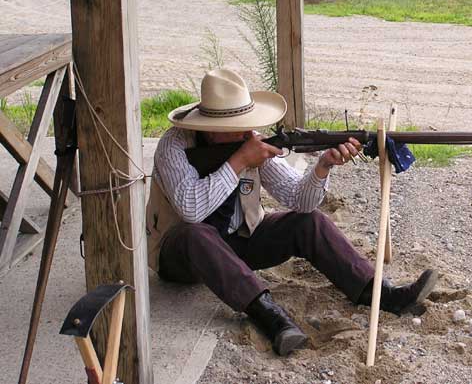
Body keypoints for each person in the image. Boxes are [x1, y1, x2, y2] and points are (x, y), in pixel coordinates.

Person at [146, 68, 438, 356]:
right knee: (196, 234)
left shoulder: (249, 141)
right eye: (235, 126)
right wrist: (239, 161)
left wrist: (323, 166)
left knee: (308, 222)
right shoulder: (175, 146)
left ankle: (379, 293)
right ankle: (271, 318)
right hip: (179, 255)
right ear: (210, 128)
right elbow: (191, 209)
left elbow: (299, 200)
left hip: (239, 240)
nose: (246, 132)